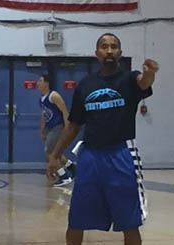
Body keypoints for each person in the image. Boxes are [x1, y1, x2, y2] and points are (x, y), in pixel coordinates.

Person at [47, 33, 159, 245]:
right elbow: (73, 126)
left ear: (120, 53)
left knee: (129, 222)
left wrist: (150, 74)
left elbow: (144, 83)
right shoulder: (85, 85)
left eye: (114, 46)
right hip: (90, 156)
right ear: (97, 53)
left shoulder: (129, 79)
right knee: (76, 219)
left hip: (122, 154)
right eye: (104, 47)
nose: (109, 50)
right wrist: (55, 155)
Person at [37, 74, 76, 187]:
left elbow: (64, 111)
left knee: (50, 153)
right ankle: (71, 167)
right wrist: (42, 131)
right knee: (56, 153)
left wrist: (67, 127)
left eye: (40, 81)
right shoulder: (41, 99)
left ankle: (64, 176)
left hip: (57, 127)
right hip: (49, 128)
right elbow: (44, 116)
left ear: (46, 83)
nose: (38, 83)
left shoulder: (54, 96)